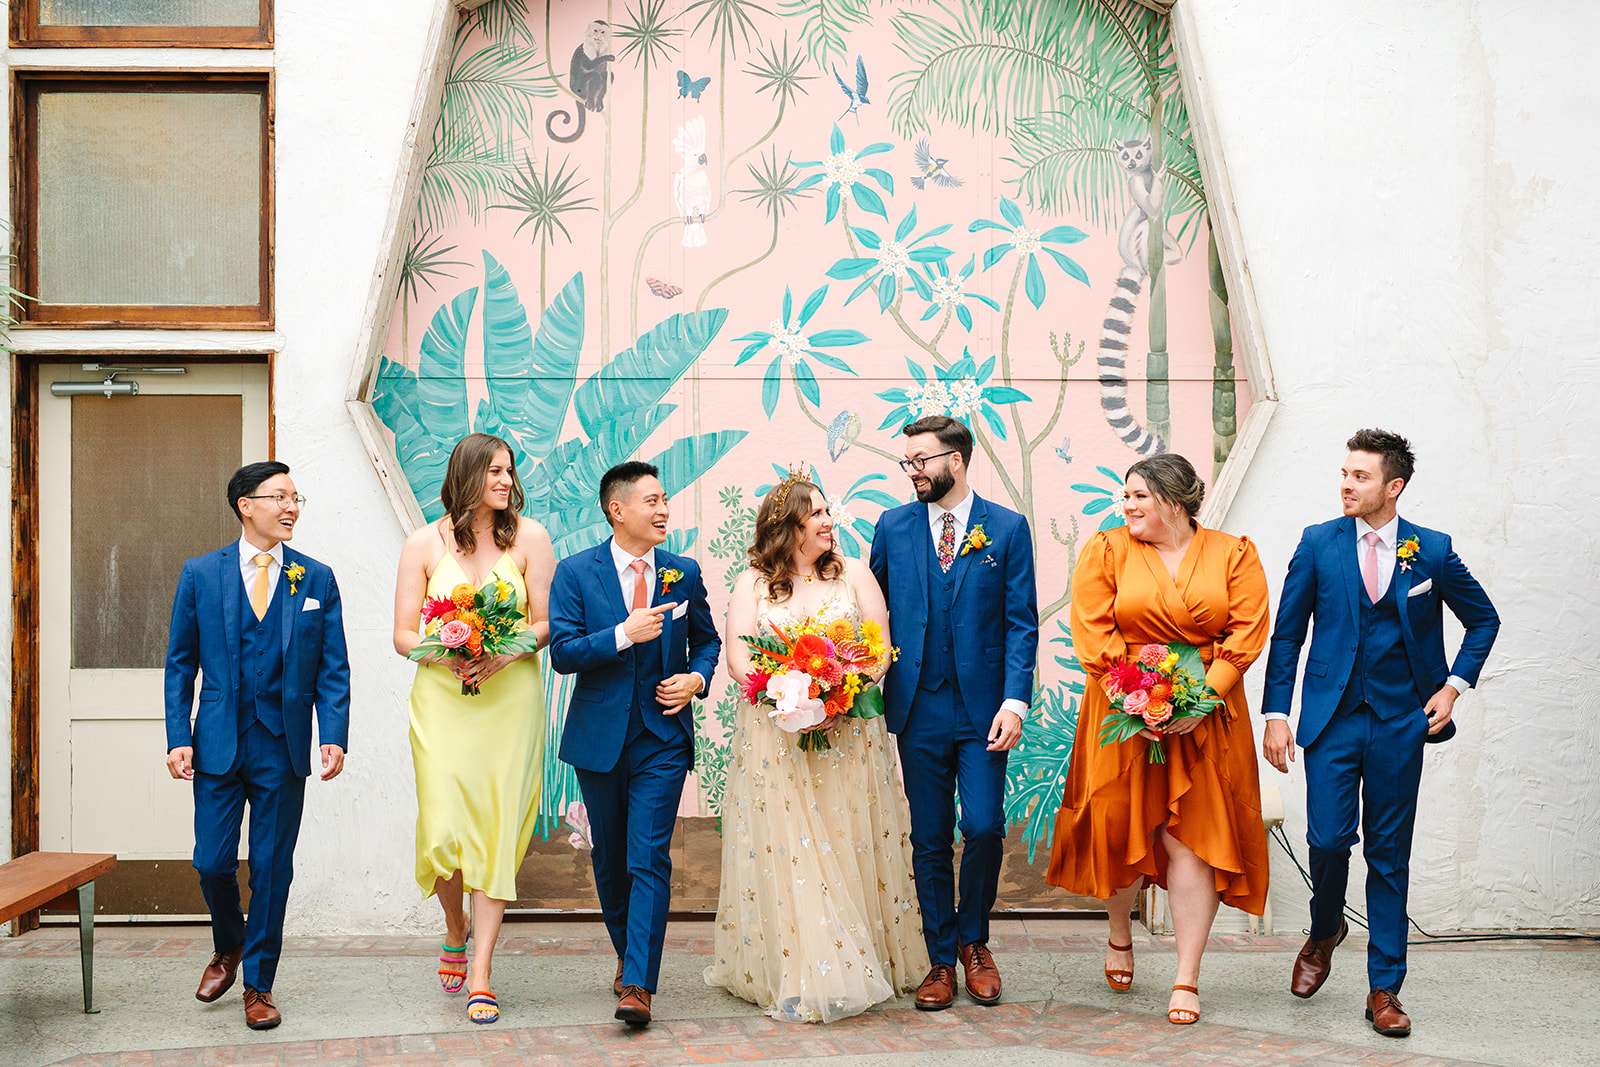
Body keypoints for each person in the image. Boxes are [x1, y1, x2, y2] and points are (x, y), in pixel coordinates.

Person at [1262, 429, 1499, 1038]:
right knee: (1328, 840)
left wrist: (1452, 687)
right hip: (1332, 719)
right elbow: (1287, 634)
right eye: (1345, 473)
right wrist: (1276, 714)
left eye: (1360, 476)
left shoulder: (1431, 551)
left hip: (1400, 722)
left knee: (1389, 854)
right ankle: (1325, 929)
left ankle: (1384, 988)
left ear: (1393, 487)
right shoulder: (1318, 543)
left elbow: (1483, 619)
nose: (1346, 484)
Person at [1045, 453, 1271, 1026]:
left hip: (1206, 719)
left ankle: (1186, 976)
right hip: (1123, 709)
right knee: (1122, 825)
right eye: (1126, 496)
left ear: (1174, 501)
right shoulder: (1108, 550)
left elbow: (1247, 631)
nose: (1127, 506)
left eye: (1139, 496)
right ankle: (1119, 930)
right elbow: (1093, 629)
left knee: (1193, 838)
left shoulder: (1234, 554)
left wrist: (1202, 701)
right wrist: (1134, 701)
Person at [706, 471, 929, 1022]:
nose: (831, 521)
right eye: (819, 514)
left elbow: (879, 649)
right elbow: (738, 659)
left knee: (846, 838)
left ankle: (863, 959)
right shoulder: (753, 583)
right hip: (777, 739)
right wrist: (789, 696)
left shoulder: (853, 574)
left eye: (829, 512)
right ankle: (800, 968)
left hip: (848, 734)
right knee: (792, 846)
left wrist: (838, 694)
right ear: (789, 525)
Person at [163, 461, 351, 1030]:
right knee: (211, 862)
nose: (291, 507)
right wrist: (178, 737)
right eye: (280, 497)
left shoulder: (315, 578)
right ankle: (230, 942)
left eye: (296, 498)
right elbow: (180, 665)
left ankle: (259, 984)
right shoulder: (201, 574)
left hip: (282, 747)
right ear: (246, 505)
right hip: (217, 743)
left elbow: (333, 668)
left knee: (271, 868)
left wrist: (333, 734)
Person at [868, 415, 1039, 1010]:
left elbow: (1021, 623)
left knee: (984, 826)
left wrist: (1015, 702)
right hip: (918, 705)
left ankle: (975, 941)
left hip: (984, 709)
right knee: (930, 835)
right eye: (907, 461)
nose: (912, 471)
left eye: (921, 460)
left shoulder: (1007, 528)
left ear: (956, 461)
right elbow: (870, 611)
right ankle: (940, 958)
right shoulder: (892, 527)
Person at [548, 461, 721, 1028]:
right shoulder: (576, 572)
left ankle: (640, 984)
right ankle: (628, 955)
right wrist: (624, 634)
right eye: (652, 500)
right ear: (617, 509)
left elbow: (707, 642)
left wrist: (696, 680)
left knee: (648, 854)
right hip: (599, 739)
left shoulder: (682, 572)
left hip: (662, 737)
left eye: (665, 499)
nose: (664, 509)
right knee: (610, 857)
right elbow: (563, 653)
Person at [392, 433, 556, 1025]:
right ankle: (454, 927)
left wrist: (501, 653)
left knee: (495, 830)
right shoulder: (422, 543)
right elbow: (403, 635)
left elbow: (546, 623)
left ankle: (481, 972)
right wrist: (452, 652)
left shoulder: (531, 538)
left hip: (510, 700)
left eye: (509, 471)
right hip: (443, 700)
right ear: (466, 475)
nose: (506, 481)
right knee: (442, 831)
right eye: (494, 472)